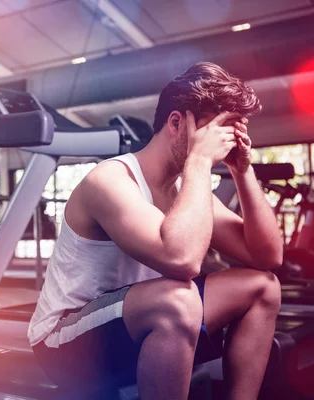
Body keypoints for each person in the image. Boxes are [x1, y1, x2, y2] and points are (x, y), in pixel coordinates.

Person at [28, 62, 283, 400]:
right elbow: (182, 261)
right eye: (215, 129)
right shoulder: (110, 180)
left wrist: (242, 170)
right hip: (66, 345)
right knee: (179, 298)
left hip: (139, 323)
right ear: (176, 122)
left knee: (263, 287)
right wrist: (199, 161)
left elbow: (267, 256)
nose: (222, 142)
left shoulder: (186, 189)